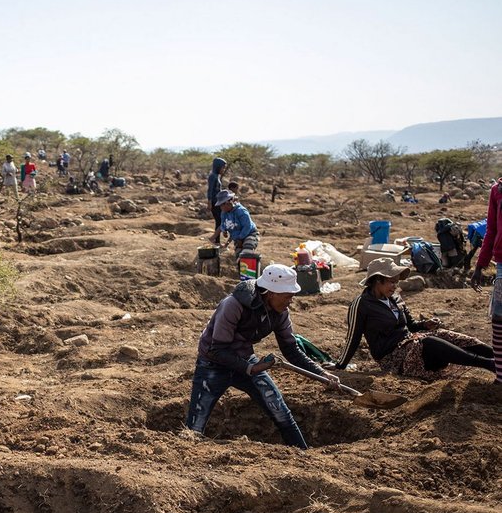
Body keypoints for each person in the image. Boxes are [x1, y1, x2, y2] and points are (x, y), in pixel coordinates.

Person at [185, 264, 339, 449]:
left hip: (245, 360)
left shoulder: (280, 313)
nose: (291, 301)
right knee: (195, 425)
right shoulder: (233, 305)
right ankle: (184, 460)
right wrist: (251, 368)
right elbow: (216, 350)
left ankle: (304, 455)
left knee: (280, 411)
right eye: (288, 295)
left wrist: (322, 374)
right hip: (213, 364)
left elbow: (291, 349)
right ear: (271, 292)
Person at [339, 258, 496, 381]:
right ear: (377, 280)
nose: (395, 286)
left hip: (412, 343)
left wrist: (425, 325)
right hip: (393, 358)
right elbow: (353, 337)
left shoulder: (395, 298)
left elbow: (411, 325)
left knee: (444, 334)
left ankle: (497, 356)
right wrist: (340, 366)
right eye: (391, 282)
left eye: (397, 282)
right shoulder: (362, 304)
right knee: (427, 342)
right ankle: (490, 365)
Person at [469, 179, 502, 385]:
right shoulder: (497, 190)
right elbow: (491, 229)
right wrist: (480, 265)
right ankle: (501, 377)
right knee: (499, 321)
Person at [209, 190, 259, 257]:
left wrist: (240, 238)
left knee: (246, 252)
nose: (221, 207)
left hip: (249, 234)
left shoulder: (241, 211)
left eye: (222, 205)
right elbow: (223, 224)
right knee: (239, 255)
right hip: (237, 238)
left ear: (228, 202)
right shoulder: (224, 213)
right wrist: (224, 230)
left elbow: (247, 226)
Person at [207, 158, 228, 243]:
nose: (223, 169)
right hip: (214, 203)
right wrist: (209, 202)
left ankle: (217, 240)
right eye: (222, 167)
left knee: (220, 221)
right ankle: (216, 241)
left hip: (218, 202)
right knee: (219, 221)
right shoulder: (213, 176)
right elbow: (210, 190)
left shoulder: (217, 176)